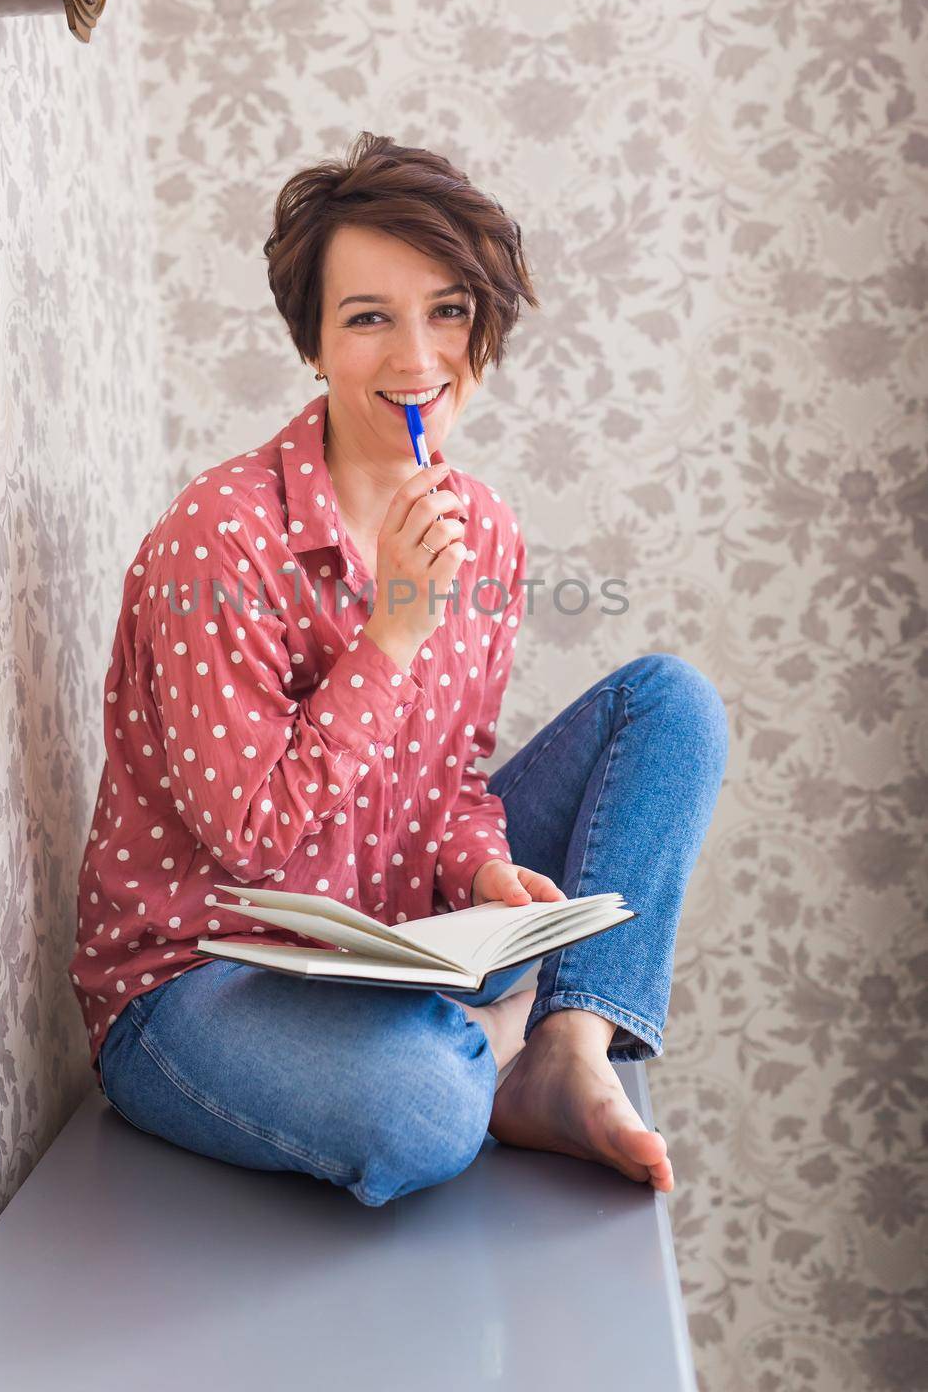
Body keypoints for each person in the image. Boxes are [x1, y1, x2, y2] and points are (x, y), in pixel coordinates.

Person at [68, 131, 728, 1209]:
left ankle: (564, 1044)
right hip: (200, 981)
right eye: (368, 317)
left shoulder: (486, 532)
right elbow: (249, 842)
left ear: (484, 329)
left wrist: (481, 876)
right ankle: (494, 1037)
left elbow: (450, 783)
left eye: (448, 312)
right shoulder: (220, 539)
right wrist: (393, 633)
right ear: (315, 344)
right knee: (421, 1112)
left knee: (670, 705)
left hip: (387, 934)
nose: (417, 357)